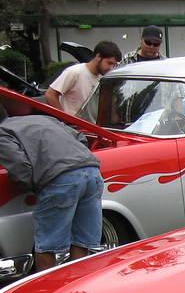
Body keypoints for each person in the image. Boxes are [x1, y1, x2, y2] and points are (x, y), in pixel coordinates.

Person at [0, 104, 103, 272]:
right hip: (92, 172)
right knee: (82, 240)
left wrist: (35, 186)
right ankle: (76, 282)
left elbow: (19, 166)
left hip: (60, 179)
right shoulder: (42, 118)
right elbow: (80, 138)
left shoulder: (2, 133)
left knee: (47, 244)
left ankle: (48, 289)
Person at [43, 40, 121, 116]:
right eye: (109, 63)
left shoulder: (104, 78)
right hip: (71, 126)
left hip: (92, 126)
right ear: (98, 56)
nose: (111, 68)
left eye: (113, 65)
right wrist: (64, 118)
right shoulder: (74, 72)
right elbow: (50, 95)